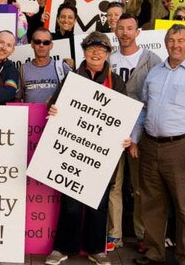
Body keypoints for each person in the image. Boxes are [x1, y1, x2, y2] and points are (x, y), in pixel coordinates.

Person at [132, 24, 185, 265]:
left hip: (182, 148)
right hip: (150, 146)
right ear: (165, 42)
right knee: (152, 204)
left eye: (181, 40)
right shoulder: (155, 73)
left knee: (184, 208)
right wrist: (136, 138)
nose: (176, 45)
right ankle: (153, 253)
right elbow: (144, 109)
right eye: (172, 40)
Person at [44, 31, 129, 265]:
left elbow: (125, 116)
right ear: (83, 52)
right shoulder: (72, 79)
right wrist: (53, 110)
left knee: (98, 204)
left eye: (101, 50)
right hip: (73, 150)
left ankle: (96, 249)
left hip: (101, 153)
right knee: (70, 204)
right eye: (91, 49)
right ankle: (62, 248)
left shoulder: (116, 81)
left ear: (107, 54)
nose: (95, 53)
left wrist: (126, 137)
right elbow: (54, 104)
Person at [107, 14, 162, 254]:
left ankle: (142, 234)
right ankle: (114, 234)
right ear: (115, 31)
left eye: (130, 28)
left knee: (140, 187)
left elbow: (156, 100)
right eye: (121, 28)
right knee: (113, 186)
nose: (126, 32)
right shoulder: (108, 59)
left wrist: (137, 137)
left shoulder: (151, 60)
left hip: (140, 132)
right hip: (111, 129)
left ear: (138, 32)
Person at [19, 27, 71, 104]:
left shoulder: (62, 67)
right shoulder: (23, 69)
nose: (41, 45)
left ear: (51, 45)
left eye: (46, 42)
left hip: (54, 115)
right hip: (31, 115)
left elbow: (74, 95)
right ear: (32, 44)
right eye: (37, 42)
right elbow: (17, 99)